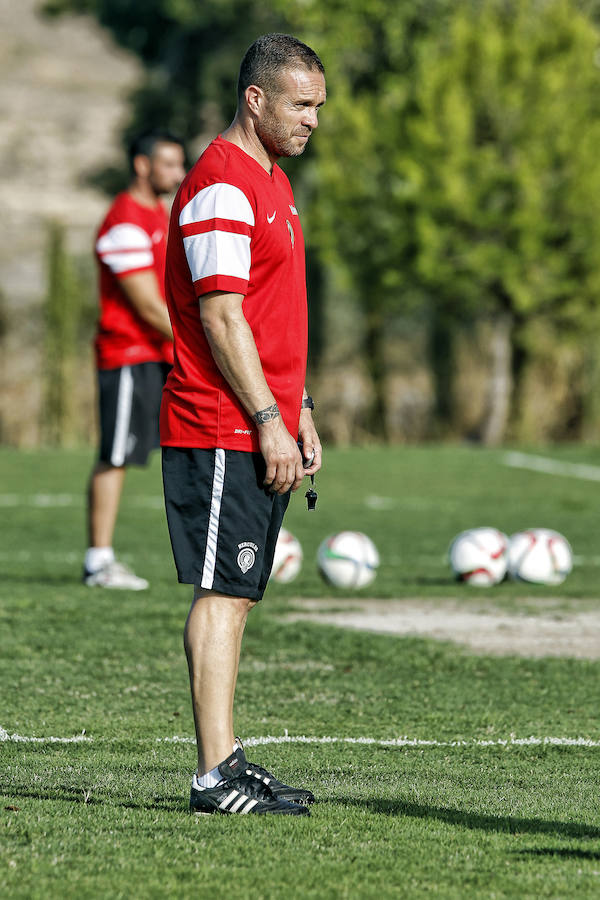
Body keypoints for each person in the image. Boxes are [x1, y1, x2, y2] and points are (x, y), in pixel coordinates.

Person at [161, 33, 325, 815]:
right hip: (220, 421)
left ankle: (227, 760)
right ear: (255, 99)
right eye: (301, 104)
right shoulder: (223, 184)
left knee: (239, 592)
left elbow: (269, 314)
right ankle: (212, 776)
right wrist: (266, 417)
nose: (313, 120)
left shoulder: (273, 182)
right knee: (222, 593)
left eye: (320, 107)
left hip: (258, 417)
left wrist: (300, 410)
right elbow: (223, 319)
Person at [83, 131, 186, 590]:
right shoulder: (125, 221)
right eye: (168, 164)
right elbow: (146, 306)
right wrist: (203, 342)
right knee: (116, 455)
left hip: (162, 354)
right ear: (142, 166)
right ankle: (99, 562)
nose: (178, 174)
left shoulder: (159, 215)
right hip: (129, 355)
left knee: (192, 445)